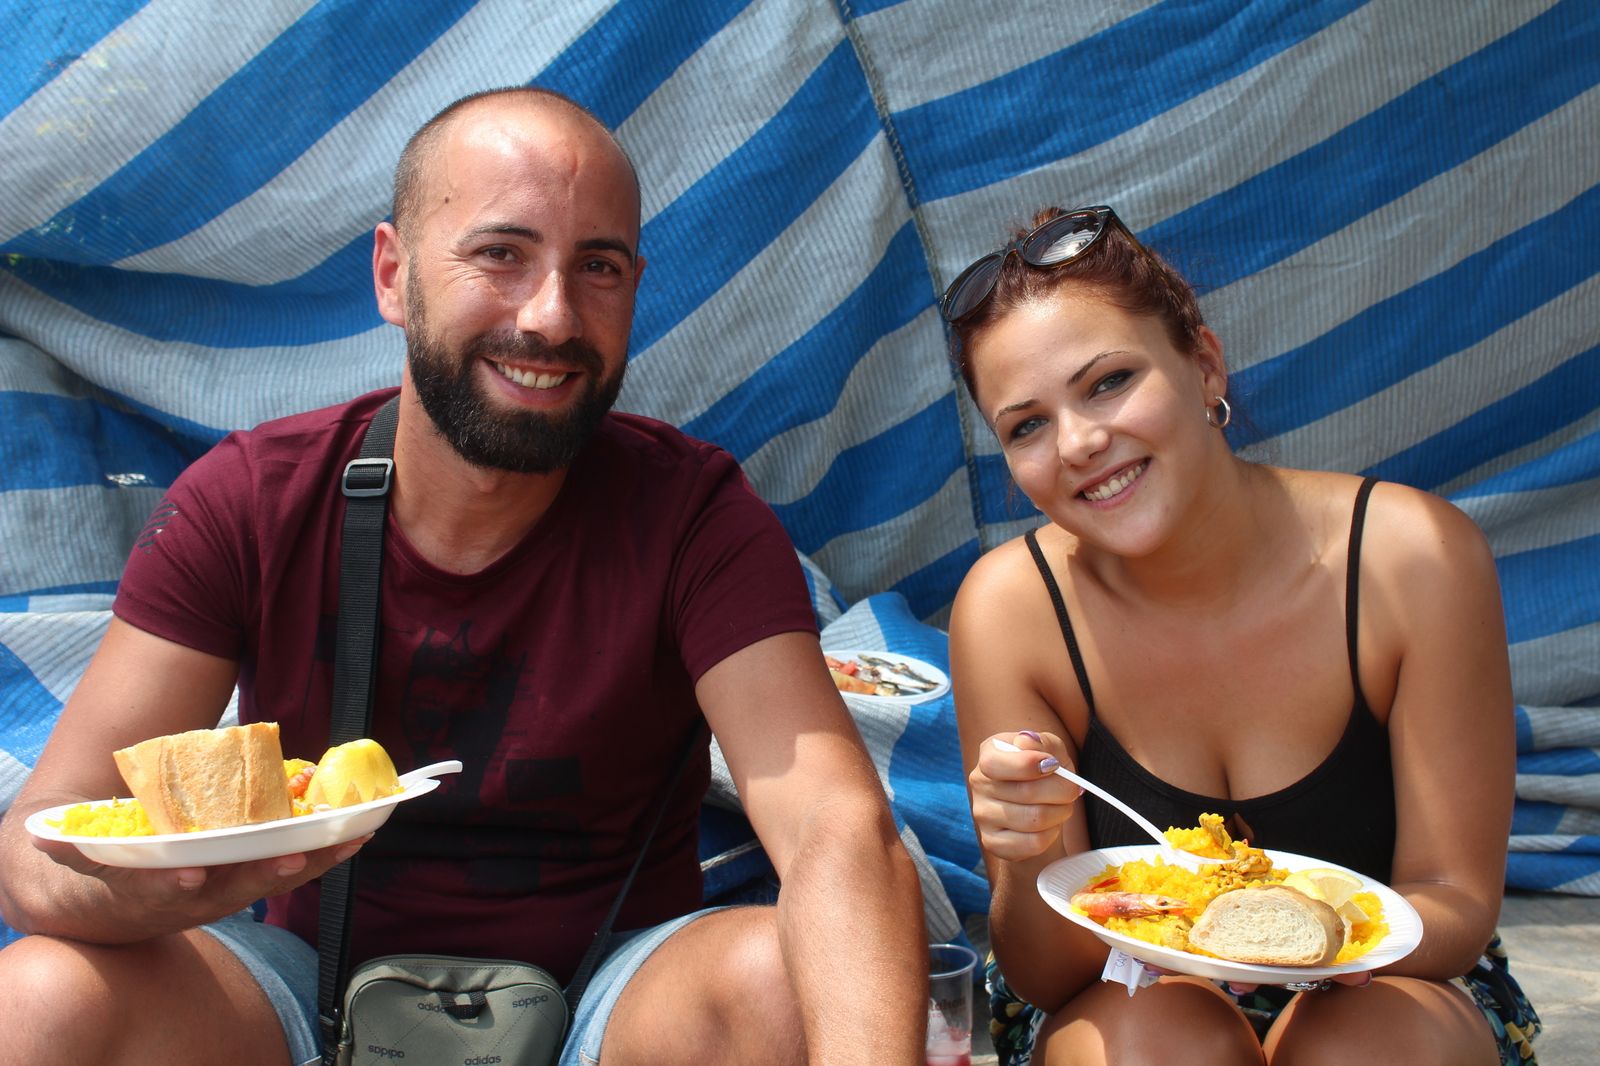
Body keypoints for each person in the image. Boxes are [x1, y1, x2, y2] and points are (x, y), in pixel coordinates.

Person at [0, 87, 927, 1066]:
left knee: (786, 983)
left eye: (598, 267)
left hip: (610, 1009)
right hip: (297, 1001)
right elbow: (32, 854)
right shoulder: (251, 501)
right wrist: (172, 885)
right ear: (394, 275)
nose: (553, 314)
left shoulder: (694, 514)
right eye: (501, 254)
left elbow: (835, 823)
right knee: (38, 1000)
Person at [944, 205, 1539, 1065]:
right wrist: (1025, 852)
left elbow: (1449, 901)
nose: (1079, 442)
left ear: (1205, 365)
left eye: (1108, 381)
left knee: (1363, 1048)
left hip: (1392, 989)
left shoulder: (1409, 559)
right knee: (1156, 1044)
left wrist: (1318, 948)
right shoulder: (1011, 609)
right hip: (1123, 997)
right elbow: (1050, 975)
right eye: (1026, 426)